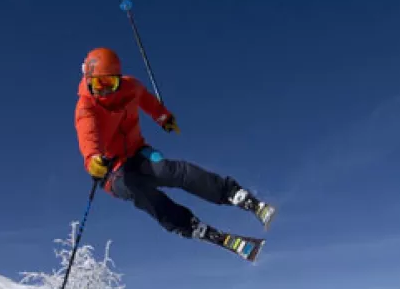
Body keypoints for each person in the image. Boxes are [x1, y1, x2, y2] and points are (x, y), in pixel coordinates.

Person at [74, 47, 275, 259]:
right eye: (98, 84)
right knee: (140, 191)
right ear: (88, 79)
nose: (104, 91)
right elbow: (88, 137)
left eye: (110, 84)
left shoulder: (130, 86)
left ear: (119, 80)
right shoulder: (86, 108)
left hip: (137, 151)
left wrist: (163, 117)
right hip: (111, 168)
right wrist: (93, 160)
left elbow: (147, 100)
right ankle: (188, 225)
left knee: (171, 171)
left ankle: (234, 194)